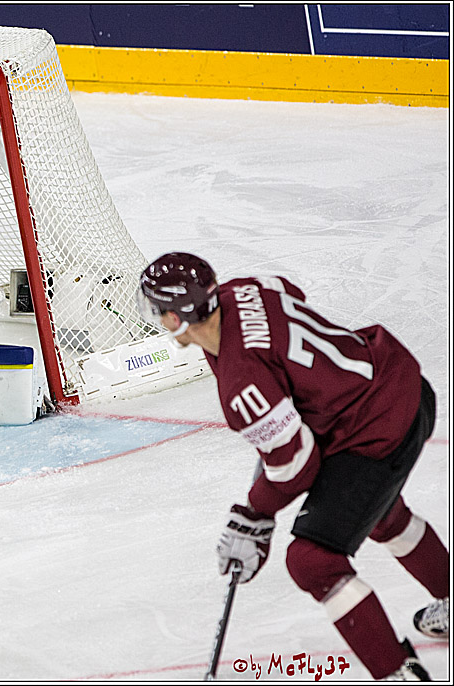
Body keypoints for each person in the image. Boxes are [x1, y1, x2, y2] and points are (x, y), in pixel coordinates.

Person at [136, 252, 449, 681]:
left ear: (176, 318)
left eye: (158, 310)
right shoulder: (243, 289)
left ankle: (397, 673)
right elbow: (289, 292)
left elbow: (297, 464)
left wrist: (254, 514)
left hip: (377, 427)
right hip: (394, 379)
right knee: (377, 514)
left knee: (312, 560)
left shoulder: (242, 382)